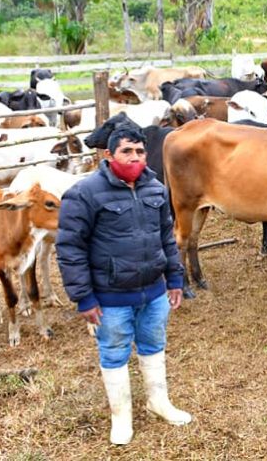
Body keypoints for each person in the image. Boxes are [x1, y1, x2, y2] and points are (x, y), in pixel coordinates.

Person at [56, 125, 191, 445]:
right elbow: (70, 249)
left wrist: (174, 278)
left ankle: (158, 401)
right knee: (114, 352)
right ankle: (121, 418)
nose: (134, 158)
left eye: (140, 152)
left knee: (153, 346)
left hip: (153, 292)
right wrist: (84, 298)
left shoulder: (155, 188)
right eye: (126, 151)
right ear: (108, 154)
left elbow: (166, 239)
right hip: (111, 296)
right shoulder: (84, 193)